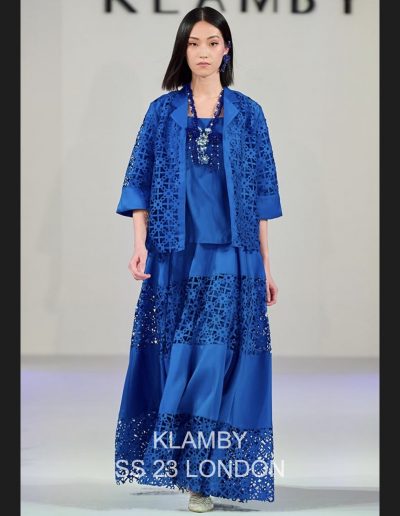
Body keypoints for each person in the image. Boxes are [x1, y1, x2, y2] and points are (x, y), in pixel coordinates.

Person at [114, 6, 283, 513]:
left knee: (214, 360)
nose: (203, 52)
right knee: (179, 360)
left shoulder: (249, 113)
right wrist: (139, 243)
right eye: (194, 43)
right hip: (176, 252)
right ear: (183, 50)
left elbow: (262, 194)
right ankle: (186, 464)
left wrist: (266, 265)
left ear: (226, 49)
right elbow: (139, 179)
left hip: (232, 253)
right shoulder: (161, 111)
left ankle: (202, 476)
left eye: (212, 43)